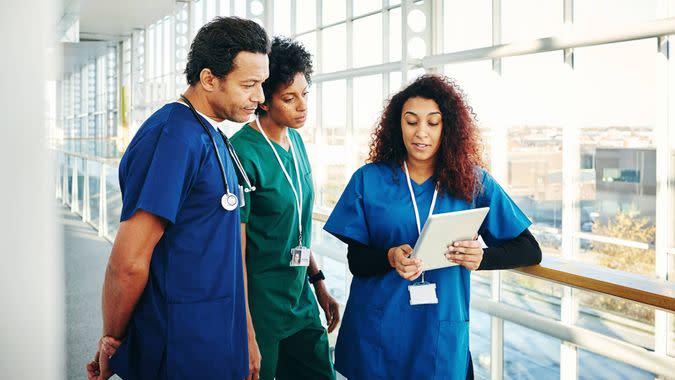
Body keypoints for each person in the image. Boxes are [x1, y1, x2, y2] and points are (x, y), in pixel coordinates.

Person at [85, 17, 270, 380]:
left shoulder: (211, 133)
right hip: (181, 345)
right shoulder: (172, 137)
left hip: (218, 337)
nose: (260, 97)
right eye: (249, 85)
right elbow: (129, 262)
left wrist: (244, 334)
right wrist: (113, 337)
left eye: (261, 84)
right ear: (208, 79)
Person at [323, 74, 542, 379]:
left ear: (447, 128)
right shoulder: (368, 180)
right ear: (397, 126)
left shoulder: (474, 183)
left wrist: (482, 258)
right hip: (379, 330)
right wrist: (389, 257)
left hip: (438, 331)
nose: (420, 133)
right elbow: (356, 261)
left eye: (433, 122)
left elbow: (530, 249)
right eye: (411, 121)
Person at [230, 36, 339, 380]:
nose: (302, 106)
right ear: (263, 100)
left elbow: (300, 229)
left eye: (305, 94)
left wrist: (319, 284)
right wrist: (246, 334)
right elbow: (236, 253)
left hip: (300, 299)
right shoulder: (242, 154)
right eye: (289, 98)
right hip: (260, 307)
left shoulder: (296, 141)